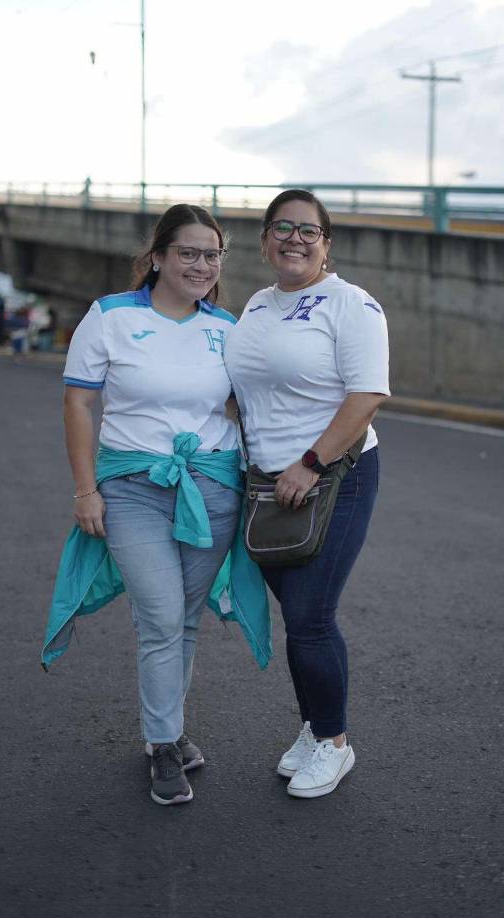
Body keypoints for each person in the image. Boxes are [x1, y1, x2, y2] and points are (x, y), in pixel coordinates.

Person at [57, 204, 247, 806]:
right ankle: (163, 743)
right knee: (162, 615)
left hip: (213, 488)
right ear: (158, 256)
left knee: (182, 619)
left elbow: (248, 409)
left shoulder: (228, 328)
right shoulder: (111, 316)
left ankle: (167, 729)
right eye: (187, 252)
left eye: (211, 254)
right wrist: (86, 490)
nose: (200, 264)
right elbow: (78, 405)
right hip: (132, 488)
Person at [225, 189, 390, 799]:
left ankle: (336, 743)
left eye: (308, 231)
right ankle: (315, 725)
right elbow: (248, 382)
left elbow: (366, 395)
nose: (294, 239)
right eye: (282, 228)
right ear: (267, 238)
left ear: (327, 244)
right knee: (300, 618)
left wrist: (311, 462)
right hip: (267, 484)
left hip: (332, 477)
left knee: (311, 618)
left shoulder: (352, 305)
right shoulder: (258, 305)